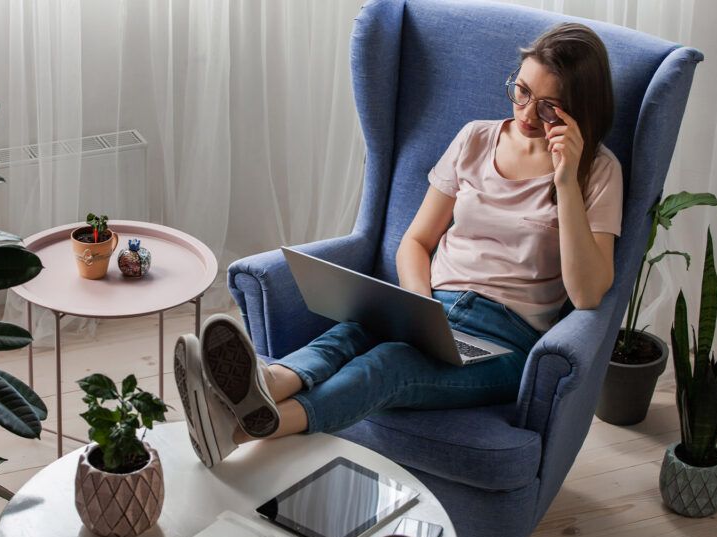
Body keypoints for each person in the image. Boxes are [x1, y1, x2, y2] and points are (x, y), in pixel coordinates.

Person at [174, 23, 622, 468]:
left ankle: (234, 430)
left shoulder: (598, 172)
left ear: (578, 110)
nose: (525, 114)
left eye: (548, 108)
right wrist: (417, 303)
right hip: (434, 303)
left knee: (388, 365)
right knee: (351, 332)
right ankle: (259, 384)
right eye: (520, 91)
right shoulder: (476, 138)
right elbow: (417, 239)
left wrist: (565, 180)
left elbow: (587, 294)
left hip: (506, 339)